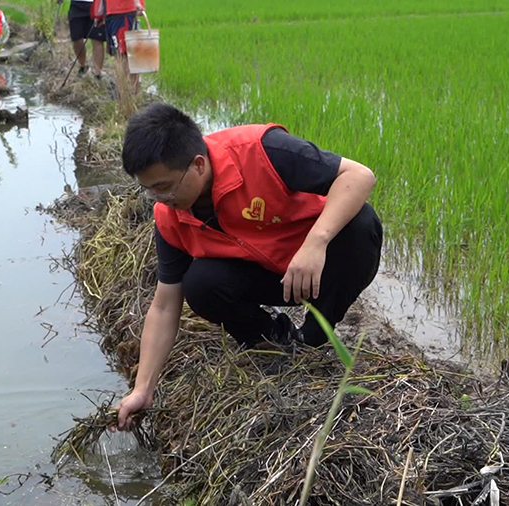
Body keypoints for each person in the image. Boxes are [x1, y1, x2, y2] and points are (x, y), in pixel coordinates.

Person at [112, 103, 383, 431]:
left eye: (164, 186)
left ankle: (314, 335)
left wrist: (316, 242)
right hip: (270, 275)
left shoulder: (261, 151)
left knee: (361, 222)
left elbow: (359, 175)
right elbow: (165, 306)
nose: (160, 198)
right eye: (149, 189)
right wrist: (143, 389)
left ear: (198, 165)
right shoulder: (169, 218)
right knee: (200, 283)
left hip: (319, 267)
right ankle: (274, 340)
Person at [92, 0, 144, 89]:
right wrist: (99, 12)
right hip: (111, 13)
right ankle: (124, 89)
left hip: (123, 11)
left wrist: (137, 3)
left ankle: (130, 90)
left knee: (125, 53)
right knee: (119, 54)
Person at [63, 0, 106, 79]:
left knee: (97, 39)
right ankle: (83, 66)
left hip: (96, 3)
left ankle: (98, 72)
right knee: (76, 38)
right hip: (76, 4)